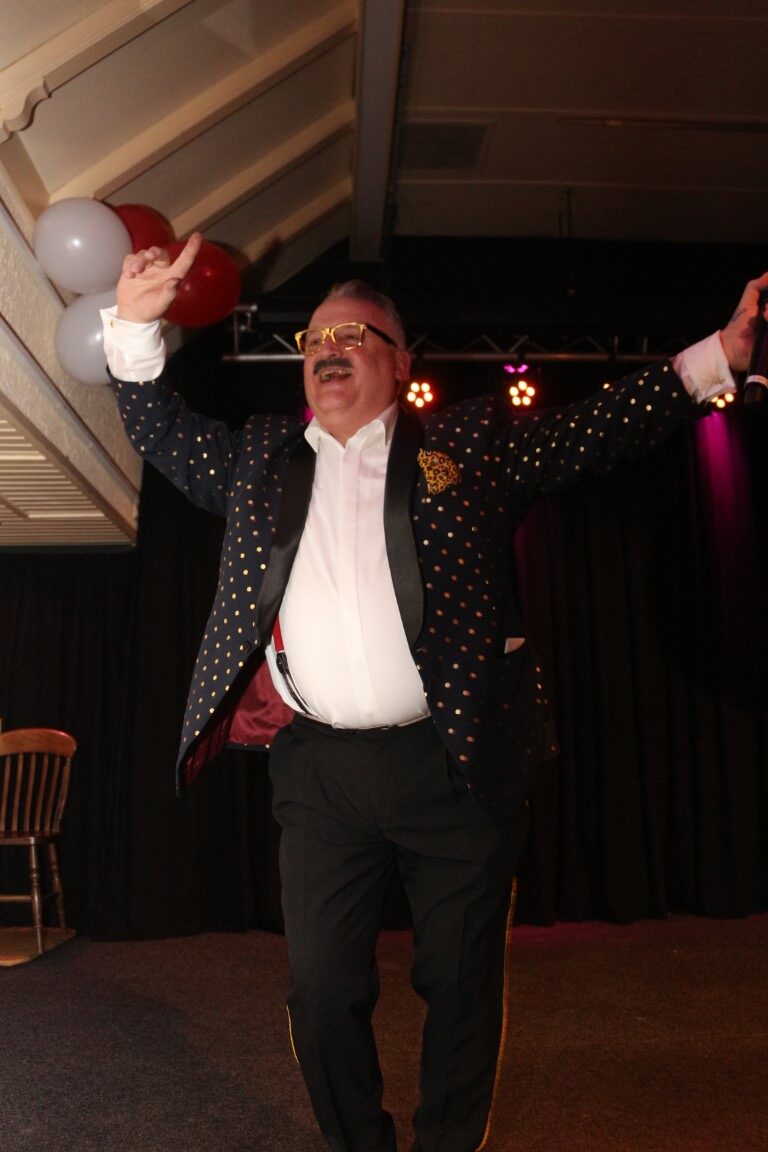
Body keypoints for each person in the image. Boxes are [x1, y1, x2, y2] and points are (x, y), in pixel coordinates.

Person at [102, 236, 767, 1152]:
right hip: (320, 773)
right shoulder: (259, 458)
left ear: (401, 362)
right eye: (315, 337)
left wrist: (718, 358)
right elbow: (160, 429)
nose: (330, 347)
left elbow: (598, 426)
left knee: (458, 984)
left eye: (355, 334)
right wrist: (135, 328)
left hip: (449, 760)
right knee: (320, 990)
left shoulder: (470, 445)